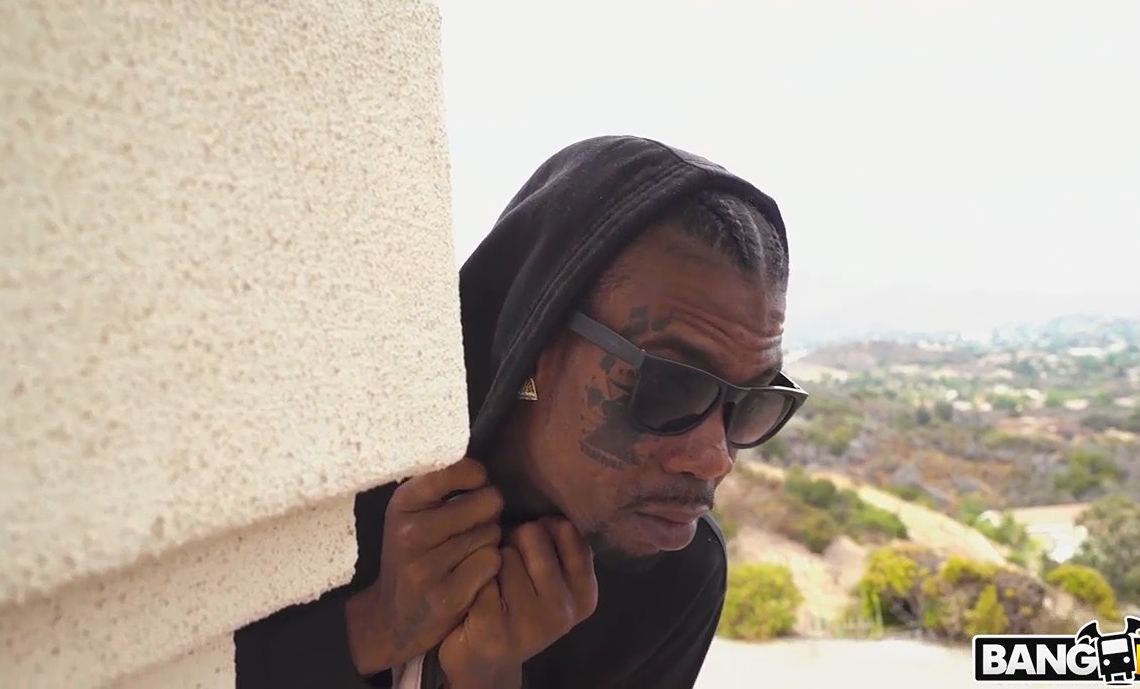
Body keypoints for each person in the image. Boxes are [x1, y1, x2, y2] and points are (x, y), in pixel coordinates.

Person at [234, 135, 807, 689]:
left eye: (751, 403)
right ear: (534, 345)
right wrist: (374, 627)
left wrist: (489, 678)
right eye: (672, 387)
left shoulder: (674, 578)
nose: (715, 459)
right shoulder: (333, 481)